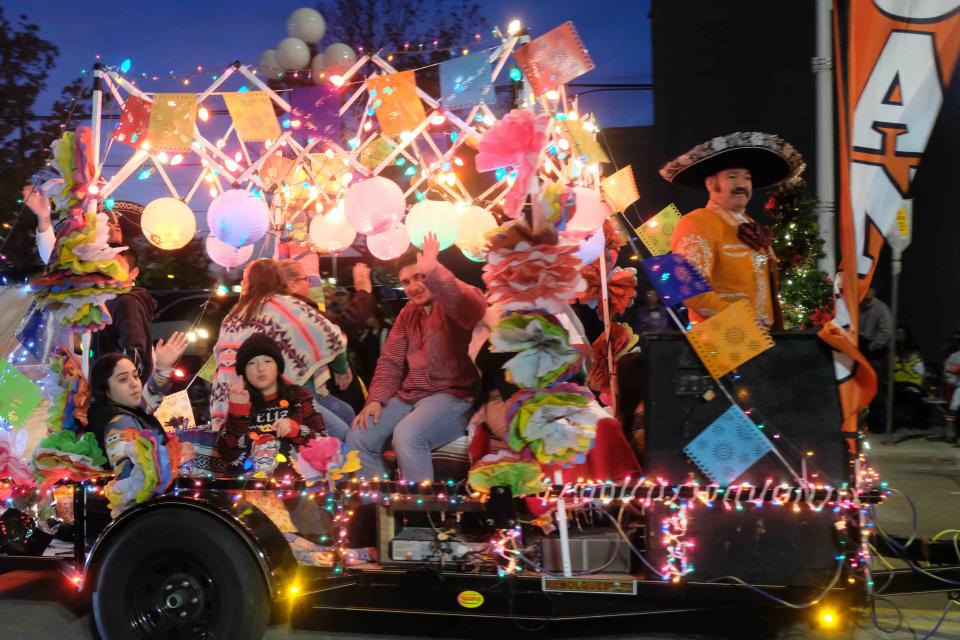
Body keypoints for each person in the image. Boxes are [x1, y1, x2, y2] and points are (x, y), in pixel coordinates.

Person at [346, 233, 487, 482]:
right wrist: (376, 399)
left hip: (453, 396)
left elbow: (472, 306)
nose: (413, 286)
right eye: (406, 281)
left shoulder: (452, 298)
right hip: (410, 395)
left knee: (408, 435)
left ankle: (418, 514)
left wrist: (434, 271)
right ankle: (384, 512)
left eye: (419, 277)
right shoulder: (407, 314)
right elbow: (390, 360)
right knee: (359, 435)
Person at [661, 132, 805, 329]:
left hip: (766, 342)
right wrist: (741, 320)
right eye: (732, 177)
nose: (742, 184)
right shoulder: (696, 222)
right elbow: (690, 290)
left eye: (747, 178)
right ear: (711, 183)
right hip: (723, 345)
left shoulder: (750, 223)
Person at [210, 260, 348, 438]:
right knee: (341, 434)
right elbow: (333, 336)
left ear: (250, 282)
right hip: (278, 401)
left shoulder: (232, 316)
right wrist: (341, 369)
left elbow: (220, 358)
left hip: (238, 402)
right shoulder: (289, 307)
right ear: (279, 279)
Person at [86, 332, 196, 513]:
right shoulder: (119, 423)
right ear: (104, 389)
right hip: (141, 517)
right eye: (123, 379)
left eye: (135, 376)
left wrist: (162, 367)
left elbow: (148, 400)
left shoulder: (125, 412)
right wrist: (176, 457)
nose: (134, 384)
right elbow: (134, 481)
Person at [215, 334, 327, 478]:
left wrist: (297, 431)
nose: (260, 368)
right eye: (252, 363)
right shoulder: (240, 398)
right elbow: (226, 455)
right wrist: (237, 414)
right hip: (244, 488)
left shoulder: (299, 395)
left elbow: (324, 446)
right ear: (243, 371)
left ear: (278, 366)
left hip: (293, 488)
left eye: (267, 361)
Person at [278, 259, 371, 416]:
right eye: (305, 279)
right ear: (291, 284)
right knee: (347, 420)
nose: (309, 284)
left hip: (303, 392)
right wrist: (363, 292)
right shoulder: (297, 310)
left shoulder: (278, 311)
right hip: (314, 392)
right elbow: (337, 331)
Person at [92, 247, 158, 381]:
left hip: (116, 393)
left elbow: (133, 351)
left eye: (116, 266)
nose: (109, 272)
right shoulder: (110, 300)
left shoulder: (127, 302)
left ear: (133, 273)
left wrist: (125, 385)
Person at [356, 306, 391, 384]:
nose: (367, 319)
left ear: (377, 318)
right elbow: (360, 345)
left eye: (370, 317)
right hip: (370, 368)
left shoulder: (386, 331)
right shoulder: (367, 331)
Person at [860, 288, 892, 365]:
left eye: (869, 289)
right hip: (859, 344)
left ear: (874, 291)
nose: (867, 292)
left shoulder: (881, 307)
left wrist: (872, 346)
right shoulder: (859, 305)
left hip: (874, 349)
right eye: (865, 289)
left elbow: (886, 330)